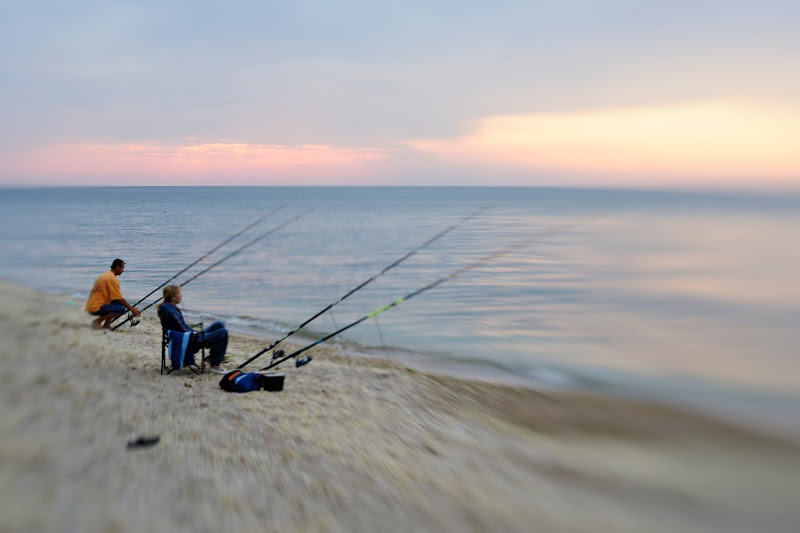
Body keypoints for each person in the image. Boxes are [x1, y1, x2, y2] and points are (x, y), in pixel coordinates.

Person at [157, 285, 229, 375]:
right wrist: (196, 333)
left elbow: (181, 328)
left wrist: (195, 332)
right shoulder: (171, 312)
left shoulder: (165, 307)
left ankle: (212, 358)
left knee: (219, 324)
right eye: (179, 294)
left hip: (183, 337)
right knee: (222, 332)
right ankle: (215, 365)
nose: (181, 296)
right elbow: (184, 330)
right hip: (188, 342)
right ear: (173, 297)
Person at [85, 259, 141, 329]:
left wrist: (131, 308)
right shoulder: (112, 279)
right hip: (96, 307)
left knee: (119, 304)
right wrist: (132, 310)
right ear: (117, 267)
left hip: (92, 305)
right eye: (122, 268)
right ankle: (97, 321)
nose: (123, 270)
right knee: (121, 309)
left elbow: (116, 299)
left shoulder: (105, 275)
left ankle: (106, 324)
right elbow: (119, 299)